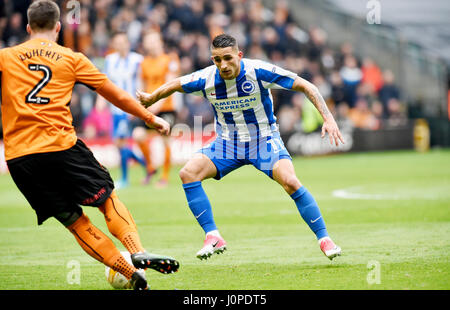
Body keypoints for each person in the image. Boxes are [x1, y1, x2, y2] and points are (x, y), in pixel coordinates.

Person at [0, 0, 179, 290]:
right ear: (58, 27)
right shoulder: (71, 58)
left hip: (21, 160)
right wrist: (149, 117)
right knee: (107, 199)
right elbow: (115, 95)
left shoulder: (6, 57)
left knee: (76, 224)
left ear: (28, 27)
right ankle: (137, 251)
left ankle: (129, 273)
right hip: (61, 146)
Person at [137, 34, 344, 260]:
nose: (223, 65)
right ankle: (213, 236)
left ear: (239, 55)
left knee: (291, 181)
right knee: (188, 173)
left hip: (263, 140)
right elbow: (176, 84)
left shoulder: (258, 71)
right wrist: (151, 98)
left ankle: (325, 239)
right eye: (217, 60)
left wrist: (329, 118)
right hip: (227, 144)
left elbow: (306, 85)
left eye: (228, 58)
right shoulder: (206, 78)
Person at [95, 31, 155, 189]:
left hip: (130, 107)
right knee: (118, 143)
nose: (121, 45)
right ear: (114, 45)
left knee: (121, 141)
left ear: (128, 43)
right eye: (117, 42)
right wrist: (100, 101)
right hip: (115, 108)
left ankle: (125, 178)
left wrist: (139, 105)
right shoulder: (110, 60)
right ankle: (148, 166)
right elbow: (104, 82)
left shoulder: (137, 60)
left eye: (123, 42)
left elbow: (142, 82)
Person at [135, 30, 180, 188]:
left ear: (160, 42)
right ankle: (151, 168)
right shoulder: (144, 63)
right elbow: (141, 85)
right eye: (148, 41)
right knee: (138, 135)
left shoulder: (170, 60)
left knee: (165, 140)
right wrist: (141, 105)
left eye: (154, 40)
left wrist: (156, 105)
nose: (151, 44)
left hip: (166, 107)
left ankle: (165, 177)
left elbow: (170, 85)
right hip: (149, 106)